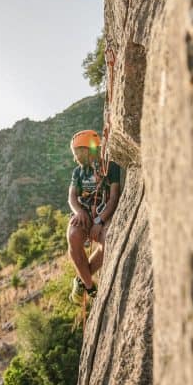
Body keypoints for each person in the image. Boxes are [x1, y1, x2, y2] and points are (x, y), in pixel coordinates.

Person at [66, 129, 121, 304]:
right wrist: (79, 212)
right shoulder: (78, 172)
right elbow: (72, 197)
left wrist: (100, 221)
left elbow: (114, 198)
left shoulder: (110, 167)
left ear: (87, 149)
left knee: (108, 241)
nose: (75, 158)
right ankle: (90, 287)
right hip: (84, 214)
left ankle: (81, 279)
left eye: (77, 153)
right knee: (73, 236)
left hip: (103, 214)